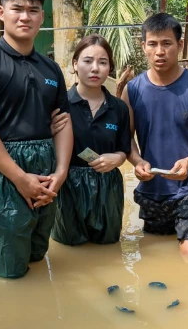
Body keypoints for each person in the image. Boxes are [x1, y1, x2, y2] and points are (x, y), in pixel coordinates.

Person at [0, 0, 73, 279]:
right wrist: (20, 178)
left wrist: (61, 172)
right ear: (1, 12)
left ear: (42, 17)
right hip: (4, 169)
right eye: (17, 8)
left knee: (38, 253)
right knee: (10, 263)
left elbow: (62, 122)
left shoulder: (50, 68)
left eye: (33, 10)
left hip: (47, 167)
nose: (25, 16)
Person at [120, 12, 188, 256]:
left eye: (167, 43)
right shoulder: (132, 90)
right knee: (151, 255)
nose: (159, 51)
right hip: (152, 190)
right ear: (143, 46)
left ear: (179, 45)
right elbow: (127, 139)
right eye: (153, 44)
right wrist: (137, 162)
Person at [49, 34, 131, 246]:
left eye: (102, 63)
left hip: (108, 187)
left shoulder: (119, 108)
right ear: (75, 64)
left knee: (109, 247)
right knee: (69, 248)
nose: (95, 68)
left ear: (110, 68)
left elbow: (125, 148)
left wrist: (117, 158)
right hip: (68, 184)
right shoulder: (59, 105)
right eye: (87, 61)